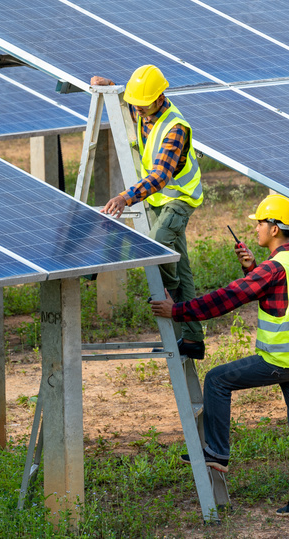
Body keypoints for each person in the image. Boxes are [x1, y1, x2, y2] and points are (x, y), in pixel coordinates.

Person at [150, 194, 289, 520]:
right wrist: (252, 268)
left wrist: (178, 311)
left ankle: (216, 451)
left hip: (281, 361)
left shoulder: (273, 269)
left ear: (273, 228)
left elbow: (227, 298)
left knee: (217, 379)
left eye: (259, 223)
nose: (256, 228)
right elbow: (283, 293)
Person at [91, 65, 206, 359]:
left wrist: (125, 197)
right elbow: (130, 100)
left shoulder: (175, 128)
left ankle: (168, 290)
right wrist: (110, 86)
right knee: (182, 271)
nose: (138, 111)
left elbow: (160, 177)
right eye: (136, 105)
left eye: (143, 106)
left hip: (179, 198)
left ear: (160, 98)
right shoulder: (142, 107)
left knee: (156, 245)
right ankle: (192, 339)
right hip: (157, 202)